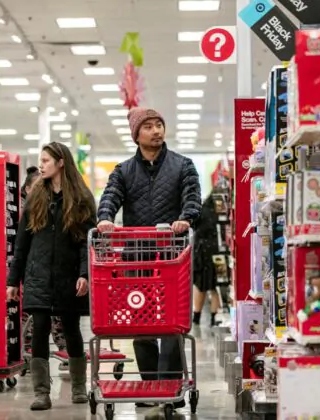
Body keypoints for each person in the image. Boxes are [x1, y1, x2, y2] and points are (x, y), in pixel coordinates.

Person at [97, 107, 202, 411]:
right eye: (149, 127)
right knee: (140, 317)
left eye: (160, 125)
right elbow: (110, 197)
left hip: (172, 256)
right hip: (136, 255)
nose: (156, 131)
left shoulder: (183, 165)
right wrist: (105, 218)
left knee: (171, 321)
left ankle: (169, 387)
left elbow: (192, 197)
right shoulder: (123, 170)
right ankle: (150, 385)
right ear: (137, 135)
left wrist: (186, 218)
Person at [7, 142, 96, 411]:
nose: (41, 164)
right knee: (40, 328)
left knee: (71, 329)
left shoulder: (80, 198)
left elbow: (86, 243)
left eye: (46, 160)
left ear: (60, 163)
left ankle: (79, 388)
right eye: (41, 160)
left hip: (69, 276)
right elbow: (21, 242)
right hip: (39, 275)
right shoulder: (35, 197)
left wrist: (85, 274)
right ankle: (42, 393)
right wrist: (13, 280)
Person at [20, 166, 70, 373]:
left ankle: (63, 351)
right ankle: (29, 355)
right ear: (26, 189)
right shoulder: (25, 209)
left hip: (52, 275)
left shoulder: (54, 205)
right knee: (33, 321)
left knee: (58, 319)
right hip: (32, 274)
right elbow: (21, 245)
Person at [192, 192, 222, 326]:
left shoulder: (200, 209)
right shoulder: (220, 211)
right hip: (218, 251)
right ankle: (214, 317)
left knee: (200, 285)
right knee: (216, 286)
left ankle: (196, 317)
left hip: (201, 252)